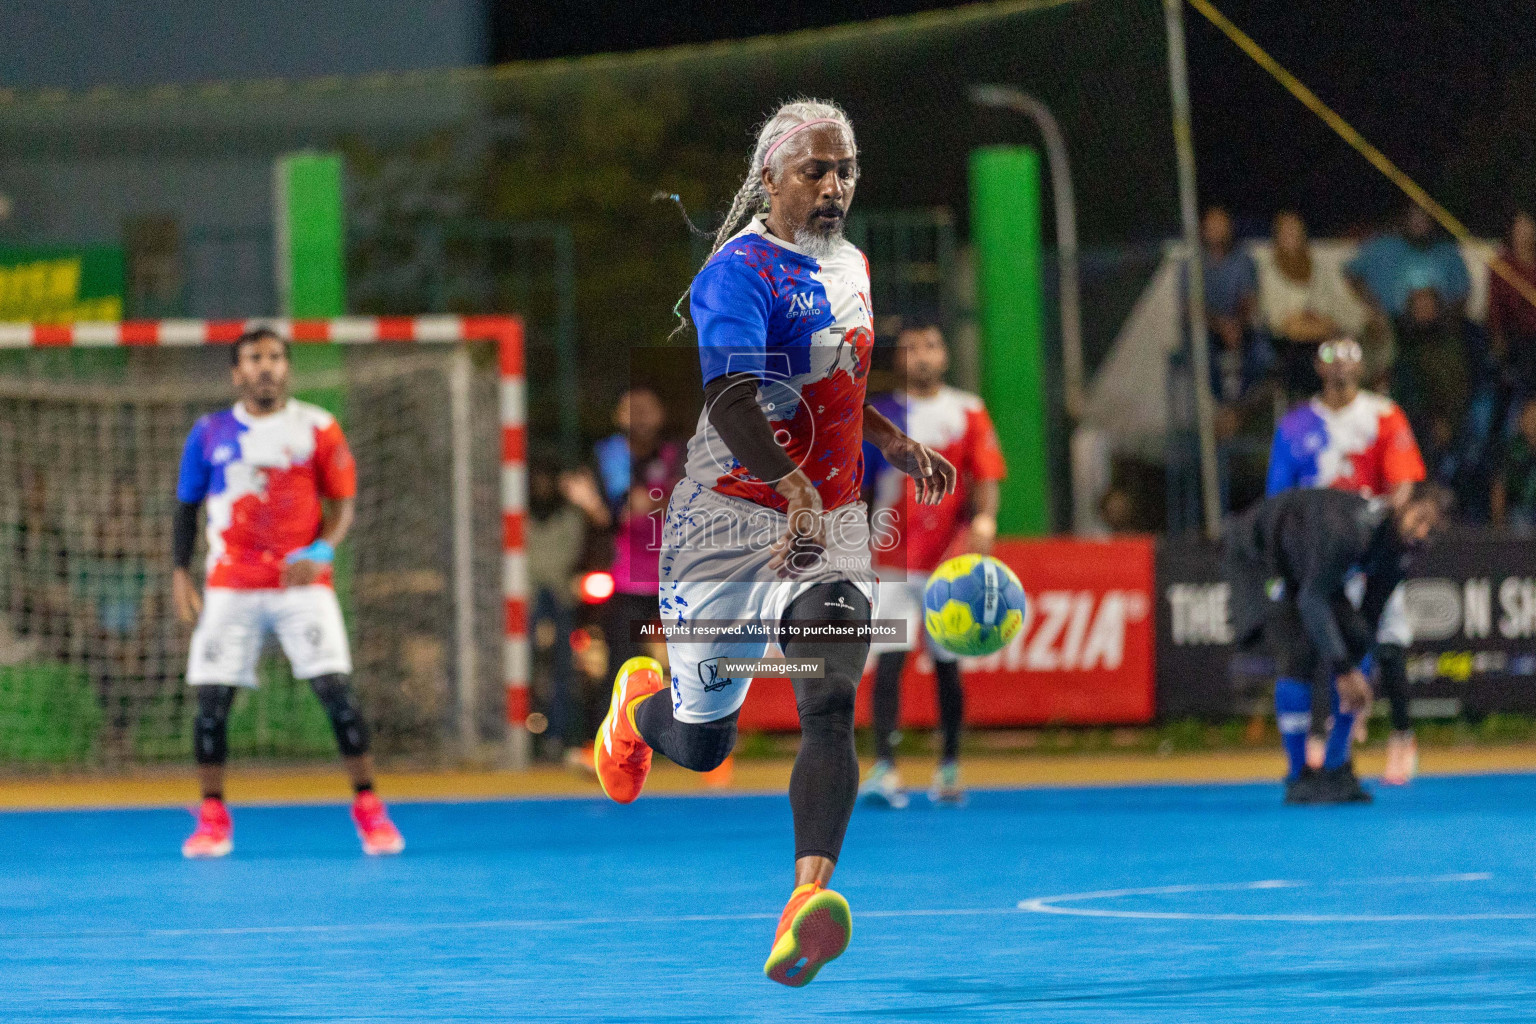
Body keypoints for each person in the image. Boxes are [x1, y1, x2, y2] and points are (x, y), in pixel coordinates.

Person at [590, 100, 955, 988]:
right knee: (705, 746)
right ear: (770, 180)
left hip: (827, 530)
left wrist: (891, 442)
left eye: (845, 172)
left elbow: (836, 381)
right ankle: (637, 709)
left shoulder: (855, 266)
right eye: (815, 172)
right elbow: (731, 401)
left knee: (830, 697)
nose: (834, 187)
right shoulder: (736, 274)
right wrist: (788, 487)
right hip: (724, 530)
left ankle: (804, 900)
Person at [171, 327, 404, 859]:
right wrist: (179, 572)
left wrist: (323, 549)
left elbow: (343, 502)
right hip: (230, 584)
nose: (266, 366)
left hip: (301, 584)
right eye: (254, 358)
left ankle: (368, 807)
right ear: (237, 373)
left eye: (275, 357)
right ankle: (212, 817)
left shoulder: (317, 427)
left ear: (287, 368)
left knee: (337, 696)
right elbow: (186, 508)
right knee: (211, 704)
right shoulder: (208, 432)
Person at [1224, 482, 1449, 804]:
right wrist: (1344, 672)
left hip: (1309, 570)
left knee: (1355, 638)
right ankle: (1300, 776)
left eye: (1432, 528)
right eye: (1421, 518)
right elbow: (1312, 601)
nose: (1423, 531)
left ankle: (1335, 768)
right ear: (1402, 501)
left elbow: (1368, 618)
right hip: (1260, 556)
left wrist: (1359, 673)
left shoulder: (1403, 550)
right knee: (1299, 651)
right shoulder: (1348, 529)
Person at [857, 319, 1006, 808]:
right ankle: (885, 768)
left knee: (947, 665)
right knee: (889, 663)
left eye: (931, 345)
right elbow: (856, 485)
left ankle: (949, 767)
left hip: (949, 561)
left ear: (945, 355)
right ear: (898, 360)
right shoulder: (881, 415)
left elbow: (984, 475)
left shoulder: (968, 411)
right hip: (892, 561)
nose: (922, 355)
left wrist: (984, 521)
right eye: (911, 347)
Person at [1265, 337, 1427, 784]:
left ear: (1363, 367)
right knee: (1319, 641)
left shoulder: (1382, 414)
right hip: (1319, 553)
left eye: (1350, 360)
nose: (1341, 370)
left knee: (1387, 637)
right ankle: (1327, 736)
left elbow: (1402, 485)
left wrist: (1386, 539)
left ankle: (1401, 734)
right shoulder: (1297, 424)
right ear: (1318, 367)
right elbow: (1279, 496)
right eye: (1331, 361)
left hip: (1367, 545)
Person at [593, 388, 683, 691]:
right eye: (633, 410)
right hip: (627, 581)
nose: (640, 417)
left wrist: (654, 501)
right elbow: (617, 508)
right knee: (622, 668)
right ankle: (611, 734)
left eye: (647, 409)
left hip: (673, 579)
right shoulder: (610, 455)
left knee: (687, 665)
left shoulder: (676, 455)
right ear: (619, 417)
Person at [526, 456, 609, 759]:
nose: (543, 485)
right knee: (526, 666)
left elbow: (570, 557)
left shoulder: (570, 518)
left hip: (560, 597)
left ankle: (557, 737)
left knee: (565, 666)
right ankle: (525, 736)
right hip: (529, 600)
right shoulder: (520, 518)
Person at [1255, 211, 1360, 401]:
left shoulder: (1317, 269)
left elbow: (1333, 312)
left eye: (1294, 230)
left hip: (1323, 342)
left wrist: (1319, 323)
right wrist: (1310, 323)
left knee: (1345, 355)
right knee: (1314, 365)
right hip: (1287, 347)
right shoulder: (1269, 273)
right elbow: (1281, 323)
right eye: (1285, 231)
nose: (1290, 235)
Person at [1347, 205, 1472, 322]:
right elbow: (1352, 273)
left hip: (1439, 326)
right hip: (1393, 324)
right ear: (1404, 219)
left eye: (1424, 219)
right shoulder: (1384, 247)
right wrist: (1375, 309)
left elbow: (1463, 290)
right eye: (1414, 218)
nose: (1419, 225)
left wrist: (1450, 319)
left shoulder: (1446, 251)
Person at [1488, 208, 1536, 395]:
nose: (1524, 232)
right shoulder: (1502, 265)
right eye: (1519, 226)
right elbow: (1495, 310)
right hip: (1515, 338)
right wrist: (1498, 337)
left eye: (1528, 226)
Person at [1492, 396, 1536, 532]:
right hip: (1520, 512)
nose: (1533, 421)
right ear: (1521, 420)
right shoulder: (1511, 450)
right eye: (1529, 416)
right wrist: (1499, 525)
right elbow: (1500, 487)